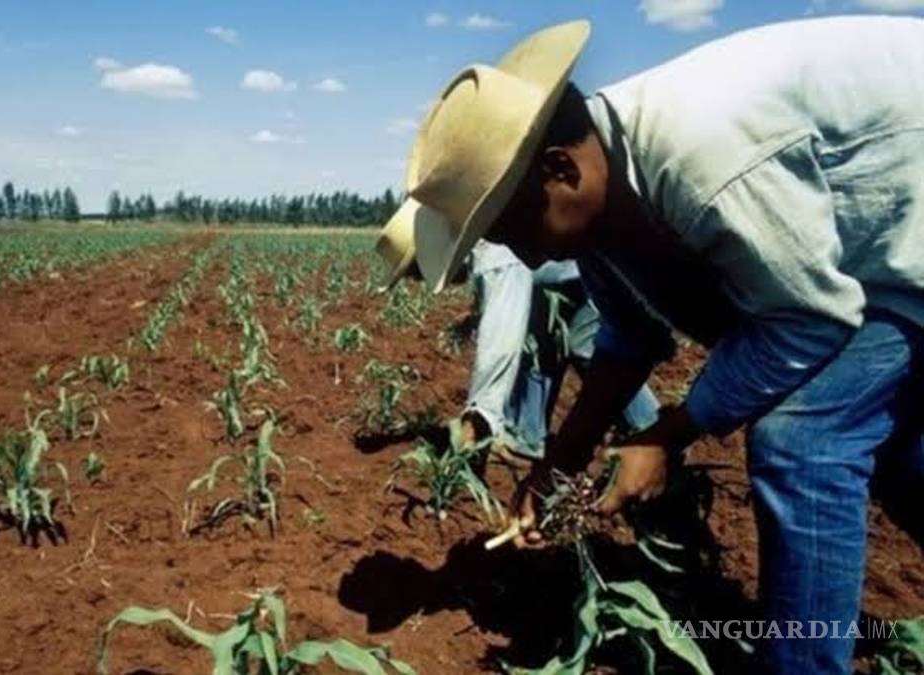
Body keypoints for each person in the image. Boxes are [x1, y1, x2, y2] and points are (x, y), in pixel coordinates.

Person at [374, 16, 924, 673]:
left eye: (517, 227)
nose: (524, 254)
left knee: (805, 437)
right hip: (882, 255)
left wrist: (666, 435)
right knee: (887, 437)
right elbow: (629, 339)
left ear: (561, 169)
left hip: (901, 244)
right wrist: (559, 465)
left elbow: (810, 318)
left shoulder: (700, 156)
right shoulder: (605, 193)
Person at [460, 240, 660, 461]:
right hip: (574, 264)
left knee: (590, 344)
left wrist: (480, 413)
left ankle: (653, 432)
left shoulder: (494, 253)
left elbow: (501, 345)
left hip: (603, 265)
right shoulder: (491, 247)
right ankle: (527, 436)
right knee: (545, 331)